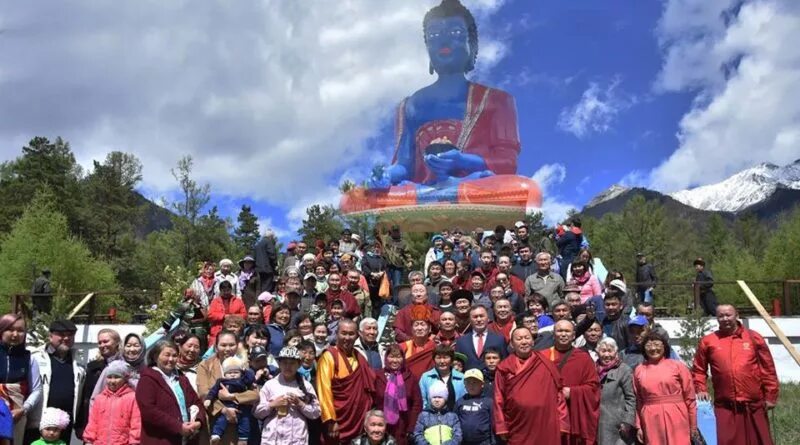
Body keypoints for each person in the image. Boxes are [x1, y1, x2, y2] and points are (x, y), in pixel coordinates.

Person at [692, 304, 779, 445]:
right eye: (721, 316)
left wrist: (771, 395)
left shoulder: (753, 338)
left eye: (728, 315)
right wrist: (701, 388)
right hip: (725, 406)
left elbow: (767, 368)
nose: (725, 319)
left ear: (736, 315)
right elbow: (698, 370)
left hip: (753, 404)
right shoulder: (708, 341)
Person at [493, 327, 562, 444]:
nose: (524, 342)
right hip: (517, 425)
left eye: (527, 338)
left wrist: (563, 422)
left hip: (545, 423)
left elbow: (558, 394)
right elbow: (498, 397)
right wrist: (501, 426)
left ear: (533, 341)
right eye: (519, 339)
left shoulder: (546, 363)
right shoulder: (505, 367)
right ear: (512, 344)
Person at [316, 319, 375, 444]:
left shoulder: (359, 356)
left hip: (358, 419)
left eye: (351, 334)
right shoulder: (329, 356)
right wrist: (330, 420)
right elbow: (324, 391)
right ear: (337, 333)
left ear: (357, 335)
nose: (347, 337)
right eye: (343, 333)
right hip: (337, 420)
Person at [136, 340, 205, 445]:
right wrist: (178, 427)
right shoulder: (147, 379)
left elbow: (196, 401)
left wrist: (198, 422)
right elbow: (148, 411)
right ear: (155, 357)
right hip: (160, 440)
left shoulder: (181, 379)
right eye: (167, 355)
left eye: (174, 355)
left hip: (186, 439)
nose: (171, 359)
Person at [27, 320, 85, 443]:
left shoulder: (79, 362)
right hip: (39, 424)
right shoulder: (35, 358)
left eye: (70, 335)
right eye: (61, 334)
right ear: (50, 336)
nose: (66, 338)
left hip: (64, 426)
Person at [197, 331, 259, 445]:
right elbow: (203, 394)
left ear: (237, 346)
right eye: (223, 345)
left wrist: (231, 397)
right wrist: (224, 410)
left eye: (231, 345)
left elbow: (254, 394)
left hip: (240, 423)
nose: (227, 349)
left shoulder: (243, 366)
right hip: (215, 424)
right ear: (216, 347)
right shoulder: (205, 365)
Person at [633, 333, 697, 445]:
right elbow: (638, 401)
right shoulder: (639, 370)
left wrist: (693, 426)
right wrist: (638, 426)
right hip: (650, 418)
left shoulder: (678, 366)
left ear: (664, 346)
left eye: (657, 344)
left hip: (677, 414)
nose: (653, 348)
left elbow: (690, 399)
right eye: (649, 345)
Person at [253, 346, 321, 445]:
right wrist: (272, 404)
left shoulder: (306, 386)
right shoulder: (270, 385)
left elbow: (316, 413)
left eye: (292, 363)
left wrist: (300, 404)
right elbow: (257, 412)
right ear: (279, 364)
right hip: (272, 440)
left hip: (297, 440)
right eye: (285, 363)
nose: (288, 367)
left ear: (299, 365)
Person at [548, 320, 600, 445]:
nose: (563, 334)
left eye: (567, 331)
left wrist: (572, 392)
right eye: (560, 331)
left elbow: (593, 388)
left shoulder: (583, 358)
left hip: (574, 414)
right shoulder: (544, 356)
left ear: (573, 335)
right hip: (550, 414)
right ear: (553, 334)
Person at [0, 314, 42, 445]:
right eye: (10, 329)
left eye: (20, 330)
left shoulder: (29, 359)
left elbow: (36, 389)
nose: (15, 334)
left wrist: (24, 409)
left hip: (17, 414)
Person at [83, 360, 141, 445]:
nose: (112, 381)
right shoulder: (99, 399)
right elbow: (92, 423)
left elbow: (136, 423)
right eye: (109, 377)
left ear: (125, 379)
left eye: (117, 377)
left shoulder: (132, 398)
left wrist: (134, 442)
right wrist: (89, 440)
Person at [76, 328, 120, 439]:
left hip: (116, 425)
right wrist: (80, 425)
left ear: (116, 343)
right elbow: (85, 397)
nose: (102, 345)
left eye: (106, 341)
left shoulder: (125, 367)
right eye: (99, 342)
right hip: (93, 424)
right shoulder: (92, 367)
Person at [373, 345, 422, 445]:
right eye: (391, 356)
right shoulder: (378, 376)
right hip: (382, 427)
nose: (395, 360)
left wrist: (411, 427)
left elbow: (417, 404)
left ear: (403, 359)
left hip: (403, 427)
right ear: (386, 358)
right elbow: (371, 401)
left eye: (398, 357)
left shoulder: (410, 377)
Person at [203, 357, 255, 444]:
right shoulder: (222, 381)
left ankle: (243, 438)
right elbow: (213, 391)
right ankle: (216, 434)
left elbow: (251, 378)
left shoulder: (243, 380)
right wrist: (209, 399)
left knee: (245, 421)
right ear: (224, 374)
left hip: (242, 406)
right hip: (227, 406)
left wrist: (245, 370)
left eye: (236, 372)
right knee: (221, 420)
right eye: (230, 373)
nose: (233, 375)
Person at [595, 337, 636, 445]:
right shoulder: (592, 369)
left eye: (610, 351)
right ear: (597, 352)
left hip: (617, 424)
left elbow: (631, 398)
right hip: (596, 423)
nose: (607, 355)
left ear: (616, 352)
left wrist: (627, 421)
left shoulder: (624, 370)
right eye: (603, 351)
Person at [455, 305, 506, 370]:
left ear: (488, 318)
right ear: (470, 320)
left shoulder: (499, 340)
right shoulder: (461, 341)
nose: (479, 319)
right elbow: (457, 365)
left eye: (481, 316)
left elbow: (504, 364)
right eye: (475, 317)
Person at [412, 381, 462, 445]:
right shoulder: (423, 415)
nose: (437, 400)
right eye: (434, 397)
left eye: (440, 397)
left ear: (445, 399)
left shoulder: (452, 416)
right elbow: (417, 434)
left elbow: (458, 435)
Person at [419, 346, 465, 412]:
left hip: (457, 418)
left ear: (451, 359)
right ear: (434, 359)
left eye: (445, 357)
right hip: (432, 419)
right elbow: (422, 400)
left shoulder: (462, 378)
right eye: (438, 358)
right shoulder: (426, 377)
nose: (442, 361)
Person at [455, 368, 493, 445]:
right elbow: (455, 422)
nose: (471, 385)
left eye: (475, 382)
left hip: (484, 441)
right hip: (464, 442)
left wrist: (493, 442)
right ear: (464, 385)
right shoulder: (460, 401)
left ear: (482, 384)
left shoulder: (488, 402)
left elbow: (493, 424)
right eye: (468, 382)